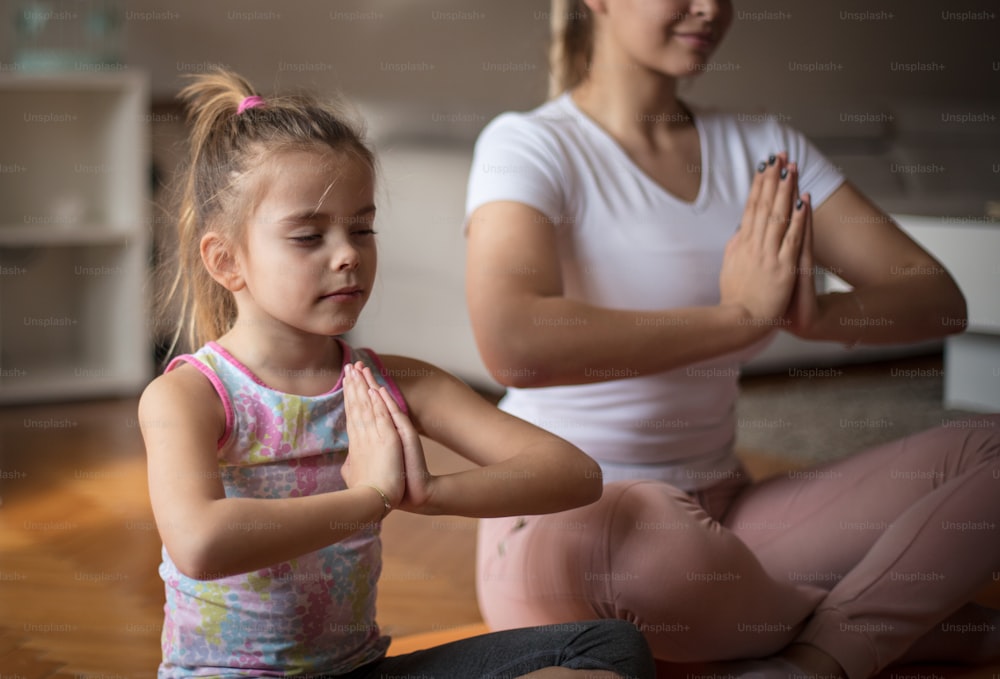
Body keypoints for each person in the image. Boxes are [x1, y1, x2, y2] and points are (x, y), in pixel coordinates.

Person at [463, 1, 1000, 678]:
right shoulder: (527, 144)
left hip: (728, 517)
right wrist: (741, 317)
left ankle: (813, 658)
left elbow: (937, 298)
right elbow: (513, 340)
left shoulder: (763, 148)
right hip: (567, 526)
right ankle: (911, 621)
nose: (711, 7)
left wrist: (818, 318)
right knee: (647, 540)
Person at [137, 69, 655, 679]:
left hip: (360, 669)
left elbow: (573, 474)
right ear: (226, 260)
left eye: (362, 228)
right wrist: (369, 500)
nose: (348, 253)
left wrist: (429, 493)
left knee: (608, 648)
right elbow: (199, 543)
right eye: (309, 235)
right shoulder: (189, 396)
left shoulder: (396, 383)